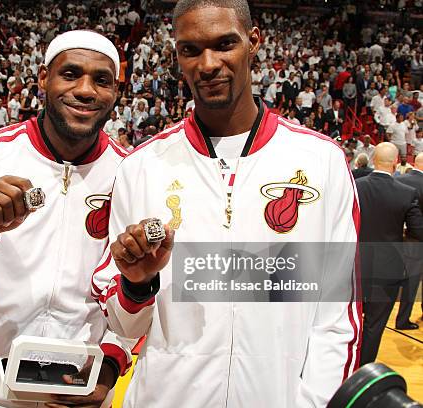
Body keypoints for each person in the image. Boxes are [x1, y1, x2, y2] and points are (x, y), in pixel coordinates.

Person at [93, 1, 360, 407]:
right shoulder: (141, 167)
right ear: (177, 57)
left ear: (253, 42)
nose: (208, 63)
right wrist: (136, 283)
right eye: (191, 50)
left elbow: (337, 315)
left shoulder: (320, 161)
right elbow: (123, 324)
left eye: (224, 44)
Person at [0, 30, 134, 407]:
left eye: (101, 80)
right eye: (70, 74)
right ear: (43, 80)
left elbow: (144, 288)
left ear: (116, 91)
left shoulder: (132, 175)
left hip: (80, 398)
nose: (86, 90)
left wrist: (111, 364)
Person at [356, 143, 423, 365]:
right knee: (374, 327)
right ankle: (362, 373)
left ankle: (343, 370)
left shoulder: (356, 186)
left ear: (374, 160)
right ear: (396, 162)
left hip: (354, 267)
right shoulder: (406, 193)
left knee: (347, 324)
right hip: (388, 270)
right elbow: (418, 231)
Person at [394, 152, 423, 330]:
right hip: (417, 238)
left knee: (404, 280)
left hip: (398, 236)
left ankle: (402, 317)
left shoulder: (399, 179)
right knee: (412, 281)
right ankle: (403, 319)